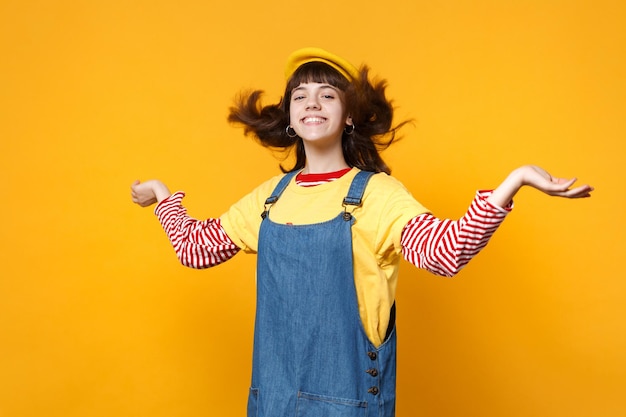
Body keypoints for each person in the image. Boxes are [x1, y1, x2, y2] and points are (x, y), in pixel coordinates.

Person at [130, 47, 593, 417]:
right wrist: (162, 193)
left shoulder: (376, 195)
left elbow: (445, 254)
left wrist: (513, 182)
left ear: (349, 115)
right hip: (271, 403)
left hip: (349, 406)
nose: (313, 102)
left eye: (328, 95)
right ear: (290, 119)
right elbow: (195, 249)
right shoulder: (269, 197)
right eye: (301, 95)